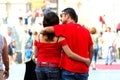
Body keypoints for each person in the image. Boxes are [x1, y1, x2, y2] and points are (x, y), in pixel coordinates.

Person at [34, 11, 91, 80]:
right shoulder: (60, 38)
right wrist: (85, 60)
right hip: (54, 67)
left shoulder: (38, 37)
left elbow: (36, 54)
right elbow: (69, 54)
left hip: (39, 67)